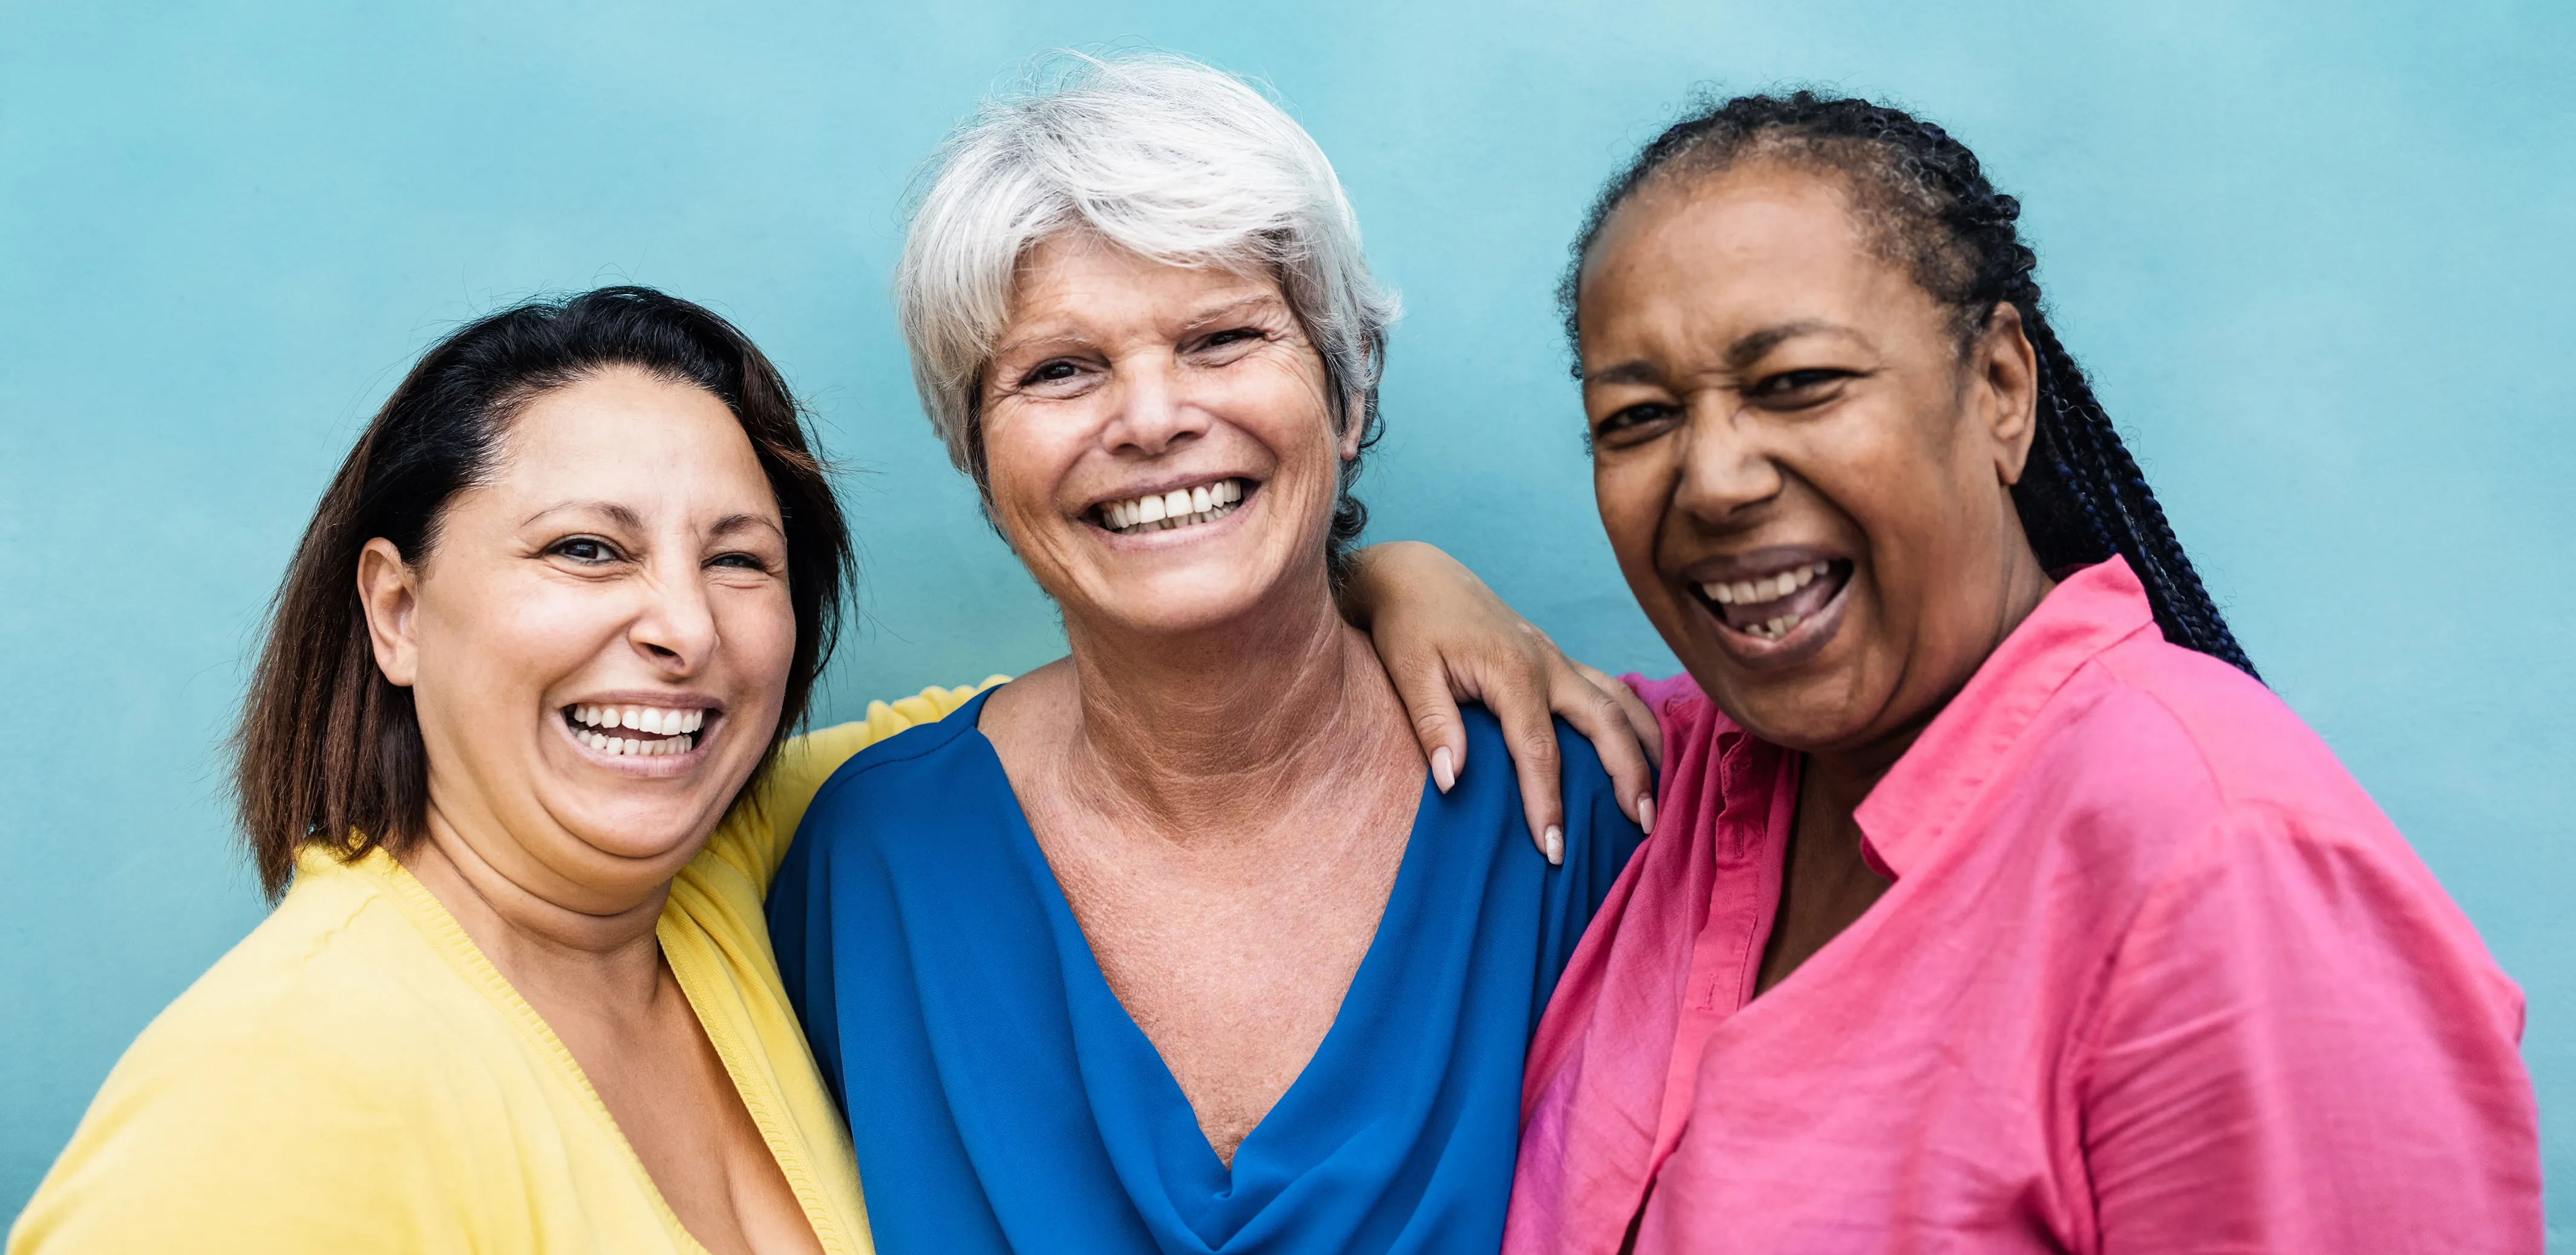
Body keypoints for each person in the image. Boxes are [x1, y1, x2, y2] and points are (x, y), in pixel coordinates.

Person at [11, 286, 1647, 1255]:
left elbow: (1149, 697)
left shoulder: (727, 876)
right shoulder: (301, 1065)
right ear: (396, 609)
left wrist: (1385, 574)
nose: (676, 634)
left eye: (738, 562)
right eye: (585, 552)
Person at [1505, 91, 2543, 1252]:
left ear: (1999, 388)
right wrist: (1382, 578)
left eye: (1796, 383)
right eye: (1636, 417)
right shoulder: (1679, 792)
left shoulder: (2222, 861)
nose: (1714, 479)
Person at [767, 54, 1653, 1255]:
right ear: (977, 456)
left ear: (1346, 396)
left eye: (1221, 338)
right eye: (1060, 369)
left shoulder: (1579, 808)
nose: (1149, 418)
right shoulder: (865, 867)